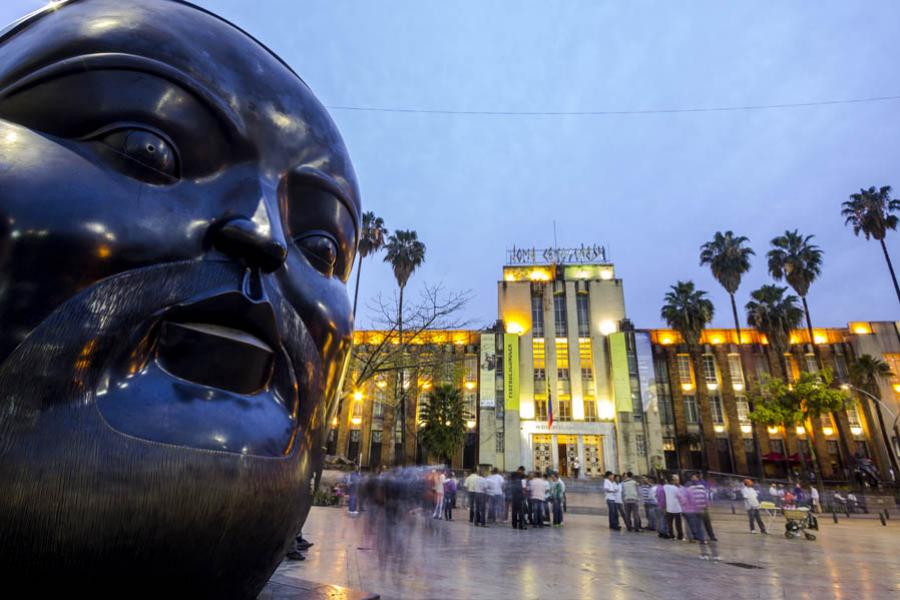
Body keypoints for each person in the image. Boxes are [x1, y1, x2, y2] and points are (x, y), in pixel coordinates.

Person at [687, 474, 716, 542]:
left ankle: (712, 536)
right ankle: (701, 538)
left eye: (695, 478)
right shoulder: (690, 488)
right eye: (692, 478)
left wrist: (706, 504)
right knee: (698, 524)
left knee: (707, 523)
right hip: (696, 509)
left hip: (703, 508)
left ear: (698, 479)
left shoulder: (702, 486)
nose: (694, 479)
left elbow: (705, 496)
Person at [663, 475, 684, 540]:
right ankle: (680, 536)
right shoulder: (675, 488)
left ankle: (671, 535)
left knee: (670, 523)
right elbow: (681, 497)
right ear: (672, 481)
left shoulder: (665, 487)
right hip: (677, 508)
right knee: (678, 524)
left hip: (669, 508)